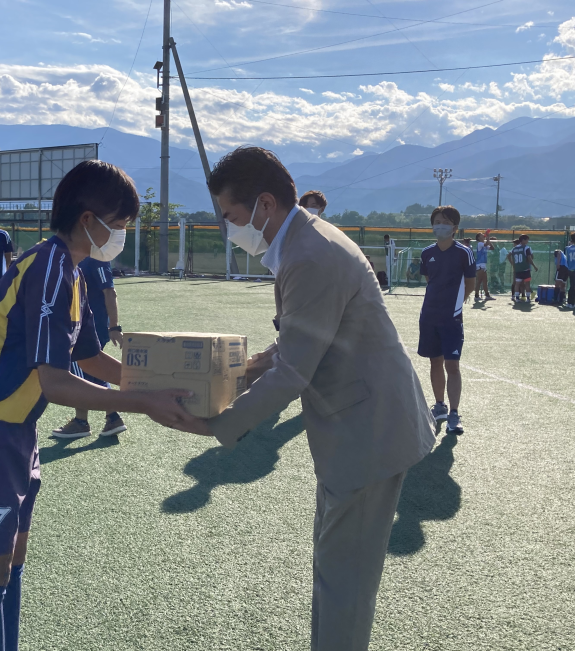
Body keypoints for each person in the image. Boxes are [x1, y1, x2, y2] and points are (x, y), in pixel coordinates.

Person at [0, 160, 202, 651]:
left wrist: (175, 388)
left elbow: (91, 357)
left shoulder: (72, 272)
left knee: (12, 557)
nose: (120, 235)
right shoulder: (49, 268)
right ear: (88, 219)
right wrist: (144, 401)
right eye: (117, 225)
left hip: (17, 428)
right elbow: (55, 382)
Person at [180, 147, 435, 651]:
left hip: (368, 435)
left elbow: (294, 370)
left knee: (344, 581)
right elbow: (299, 341)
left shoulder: (308, 255)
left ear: (265, 205)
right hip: (359, 429)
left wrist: (215, 424)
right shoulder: (306, 240)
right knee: (336, 570)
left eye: (231, 216)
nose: (229, 228)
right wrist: (234, 373)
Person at [52, 256, 128, 439]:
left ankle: (82, 421)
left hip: (89, 327)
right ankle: (111, 417)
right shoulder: (78, 259)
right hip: (80, 325)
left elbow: (110, 292)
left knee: (81, 372)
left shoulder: (97, 260)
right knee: (92, 373)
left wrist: (114, 327)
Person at [418, 206, 476, 434]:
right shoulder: (426, 253)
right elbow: (429, 280)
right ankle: (439, 405)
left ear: (455, 228)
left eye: (445, 222)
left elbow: (470, 283)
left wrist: (456, 306)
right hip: (429, 316)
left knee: (452, 365)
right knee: (434, 362)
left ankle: (454, 413)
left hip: (452, 318)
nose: (439, 225)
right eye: (437, 221)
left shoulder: (464, 253)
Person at [510, 234, 537, 303]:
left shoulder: (514, 248)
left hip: (518, 269)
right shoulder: (526, 248)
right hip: (525, 269)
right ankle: (528, 298)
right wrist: (534, 266)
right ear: (523, 240)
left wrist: (513, 264)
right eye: (527, 240)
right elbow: (529, 258)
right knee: (527, 284)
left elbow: (509, 255)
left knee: (517, 284)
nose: (527, 241)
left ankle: (517, 298)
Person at [473, 232, 494, 301]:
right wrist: (487, 239)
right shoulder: (480, 244)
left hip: (483, 265)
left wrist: (489, 240)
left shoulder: (484, 245)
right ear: (479, 238)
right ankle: (476, 296)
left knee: (485, 281)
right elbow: (486, 244)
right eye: (482, 235)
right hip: (480, 265)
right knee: (479, 281)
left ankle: (487, 295)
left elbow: (492, 248)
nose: (483, 236)